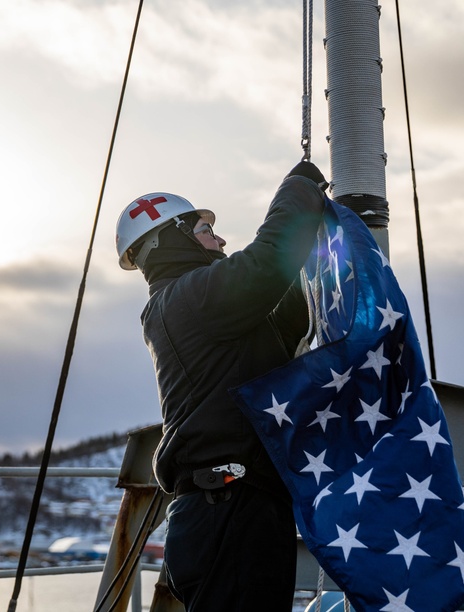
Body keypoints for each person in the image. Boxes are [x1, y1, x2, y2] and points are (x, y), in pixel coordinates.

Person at [114, 160, 328, 611]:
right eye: (206, 231)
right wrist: (297, 189)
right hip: (228, 509)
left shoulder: (198, 305)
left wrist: (315, 242)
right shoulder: (189, 299)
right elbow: (268, 262)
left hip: (238, 507)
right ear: (172, 237)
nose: (220, 239)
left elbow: (289, 318)